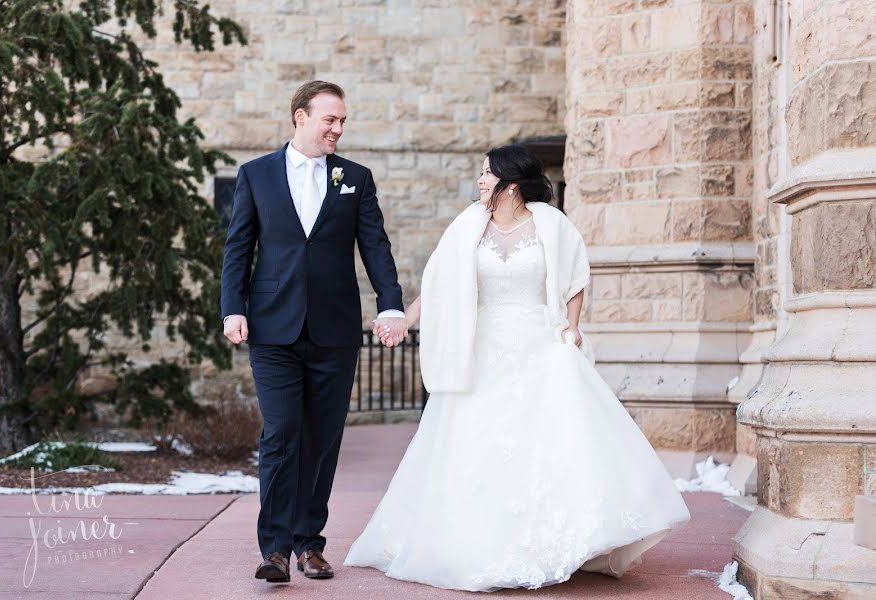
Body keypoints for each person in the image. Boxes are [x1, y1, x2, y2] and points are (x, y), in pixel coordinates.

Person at [343, 144, 691, 591]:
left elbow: (575, 280)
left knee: (549, 443)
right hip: (481, 349)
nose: (480, 180)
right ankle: (475, 543)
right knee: (478, 441)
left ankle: (559, 541)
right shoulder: (468, 226)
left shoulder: (552, 224)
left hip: (538, 345)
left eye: (487, 174)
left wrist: (572, 327)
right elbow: (440, 285)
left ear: (510, 184)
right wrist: (404, 320)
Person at [220, 80, 408, 585]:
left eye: (343, 121)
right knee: (282, 433)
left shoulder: (356, 178)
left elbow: (376, 246)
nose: (338, 129)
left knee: (322, 440)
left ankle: (310, 543)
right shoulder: (256, 175)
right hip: (273, 329)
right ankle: (276, 549)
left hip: (335, 331)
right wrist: (231, 308)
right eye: (330, 119)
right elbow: (239, 248)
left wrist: (390, 304)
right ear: (300, 118)